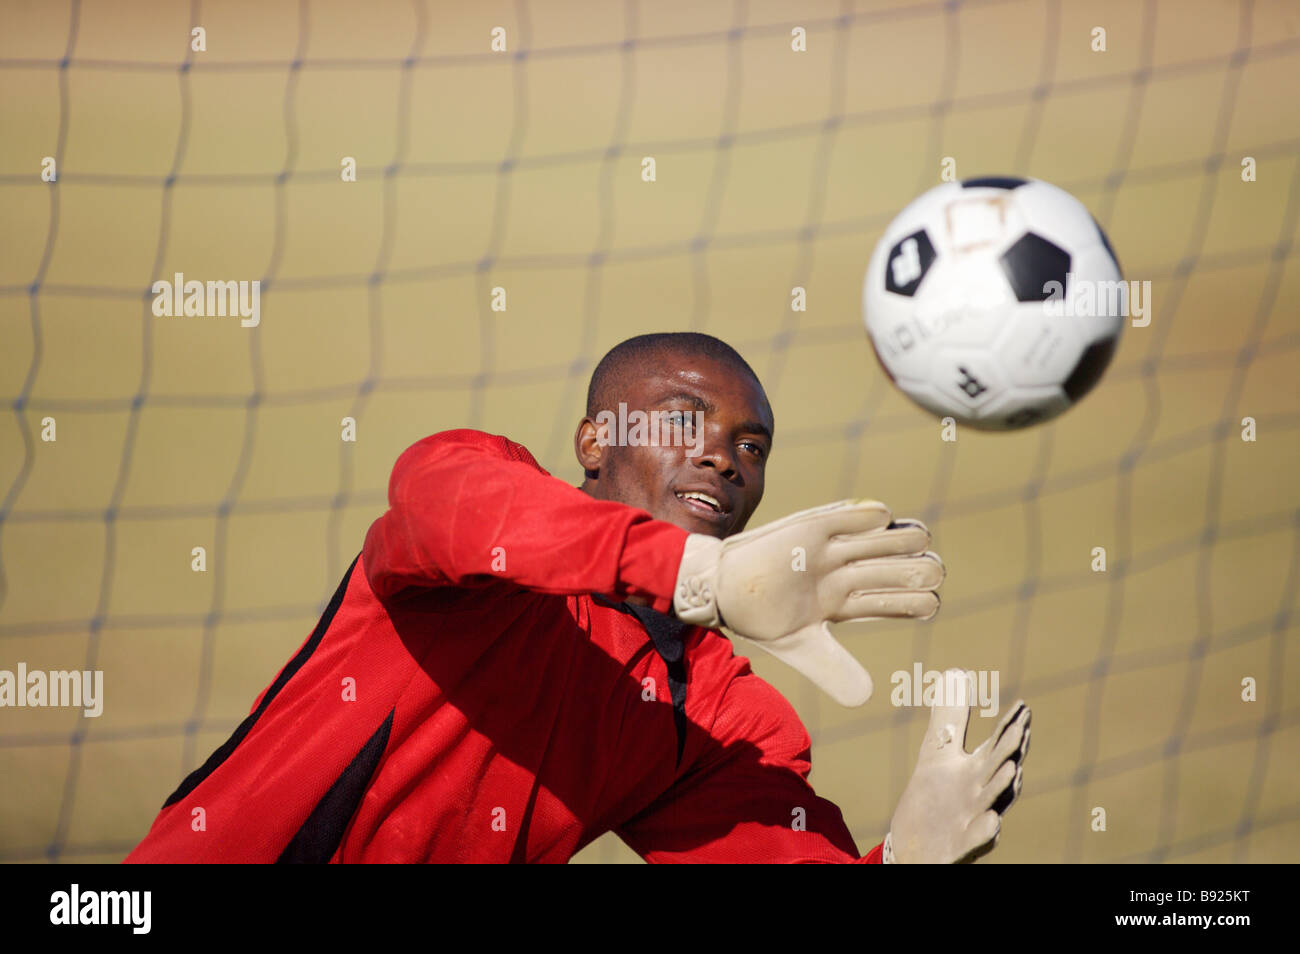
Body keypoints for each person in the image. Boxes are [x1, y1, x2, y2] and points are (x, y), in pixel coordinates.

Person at [125, 332, 1029, 864]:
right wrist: (696, 578)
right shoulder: (478, 519)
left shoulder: (712, 714)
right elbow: (449, 508)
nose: (724, 456)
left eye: (752, 447)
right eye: (683, 422)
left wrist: (906, 861)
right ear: (595, 440)